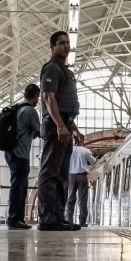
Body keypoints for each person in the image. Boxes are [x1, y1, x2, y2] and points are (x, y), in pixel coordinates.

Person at [37, 31, 84, 231]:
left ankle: (58, 216)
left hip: (64, 124)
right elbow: (49, 98)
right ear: (52, 47)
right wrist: (60, 125)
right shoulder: (52, 68)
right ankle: (47, 218)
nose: (66, 46)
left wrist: (73, 128)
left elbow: (65, 104)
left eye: (67, 43)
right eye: (61, 43)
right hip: (55, 125)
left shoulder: (66, 71)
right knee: (50, 171)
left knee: (62, 173)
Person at [6, 84, 40, 230]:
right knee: (19, 186)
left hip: (10, 151)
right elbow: (40, 131)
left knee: (17, 184)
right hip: (21, 153)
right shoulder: (30, 111)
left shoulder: (18, 109)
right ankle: (15, 219)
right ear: (36, 96)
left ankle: (16, 218)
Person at [65, 141, 94, 227]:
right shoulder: (85, 151)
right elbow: (92, 161)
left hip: (71, 176)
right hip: (82, 176)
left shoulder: (68, 150)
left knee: (70, 198)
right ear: (81, 142)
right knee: (83, 200)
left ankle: (69, 220)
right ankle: (82, 222)